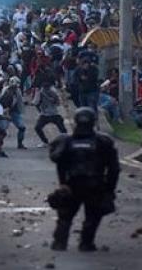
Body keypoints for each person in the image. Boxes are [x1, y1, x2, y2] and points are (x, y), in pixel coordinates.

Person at [48, 107, 120, 252]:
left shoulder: (66, 141)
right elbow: (114, 169)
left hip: (73, 183)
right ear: (93, 122)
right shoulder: (102, 141)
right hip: (94, 184)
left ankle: (60, 243)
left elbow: (59, 163)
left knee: (65, 216)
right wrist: (109, 189)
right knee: (92, 216)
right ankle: (86, 243)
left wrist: (63, 183)